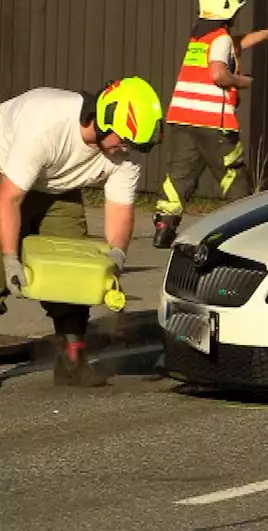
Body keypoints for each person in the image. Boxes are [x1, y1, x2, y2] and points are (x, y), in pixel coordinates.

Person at [0, 77, 163, 386]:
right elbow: (8, 198)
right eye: (123, 140)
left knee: (74, 264)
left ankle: (72, 356)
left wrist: (115, 258)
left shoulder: (124, 155)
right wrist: (10, 258)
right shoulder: (46, 125)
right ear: (104, 119)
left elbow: (119, 209)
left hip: (56, 186)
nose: (125, 150)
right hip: (5, 176)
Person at [152, 0, 268, 249]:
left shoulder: (200, 38)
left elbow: (234, 44)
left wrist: (265, 34)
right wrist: (243, 81)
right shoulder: (221, 39)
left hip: (183, 118)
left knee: (179, 176)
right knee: (233, 174)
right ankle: (247, 227)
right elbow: (218, 73)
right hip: (212, 122)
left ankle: (163, 227)